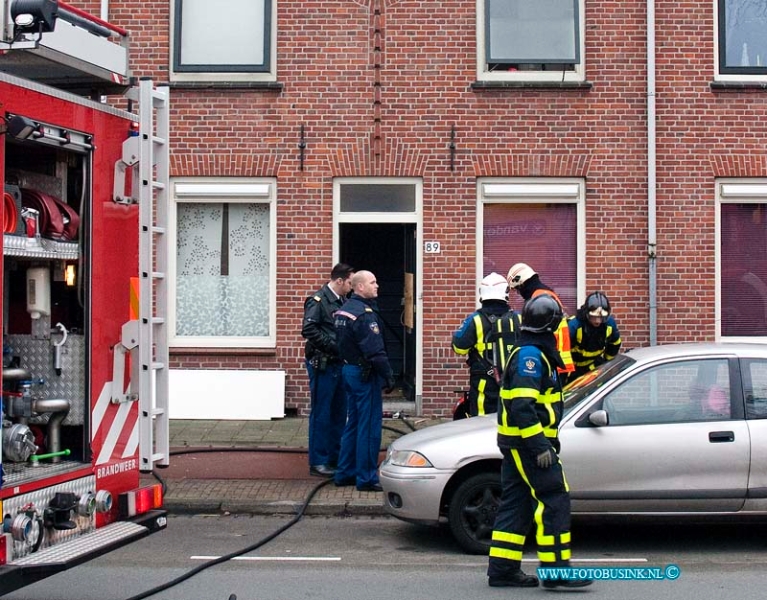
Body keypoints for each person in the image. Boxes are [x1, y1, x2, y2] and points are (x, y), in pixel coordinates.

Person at [487, 293, 592, 589]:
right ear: (549, 327)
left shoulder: (530, 352)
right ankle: (556, 571)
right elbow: (522, 406)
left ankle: (503, 570)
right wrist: (540, 446)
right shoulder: (531, 357)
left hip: (519, 443)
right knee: (555, 498)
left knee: (517, 503)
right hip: (528, 445)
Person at [333, 270, 395, 492]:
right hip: (364, 374)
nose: (377, 285)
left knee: (353, 424)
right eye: (373, 282)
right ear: (360, 287)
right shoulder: (365, 315)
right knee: (368, 427)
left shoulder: (343, 311)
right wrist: (388, 376)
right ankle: (366, 477)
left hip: (348, 370)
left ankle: (344, 472)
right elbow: (375, 351)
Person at [301, 263, 355, 478]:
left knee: (339, 412)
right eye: (350, 282)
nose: (351, 287)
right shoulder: (318, 301)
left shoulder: (343, 301)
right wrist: (333, 347)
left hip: (338, 363)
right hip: (323, 364)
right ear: (339, 281)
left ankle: (335, 456)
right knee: (322, 413)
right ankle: (318, 461)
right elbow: (308, 329)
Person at [451, 272, 520, 417]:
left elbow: (459, 348)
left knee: (480, 425)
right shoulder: (518, 318)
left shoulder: (475, 320)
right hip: (514, 380)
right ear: (505, 292)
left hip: (484, 384)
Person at [506, 263, 575, 376]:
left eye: (518, 289)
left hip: (551, 357)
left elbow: (538, 332)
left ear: (522, 283)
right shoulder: (545, 294)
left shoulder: (539, 298)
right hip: (556, 356)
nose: (519, 293)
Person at [566, 291, 622, 384]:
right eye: (594, 317)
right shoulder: (574, 326)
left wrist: (607, 365)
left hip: (594, 366)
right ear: (587, 314)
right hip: (572, 369)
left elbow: (614, 345)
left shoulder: (609, 325)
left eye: (601, 317)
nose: (597, 321)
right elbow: (562, 351)